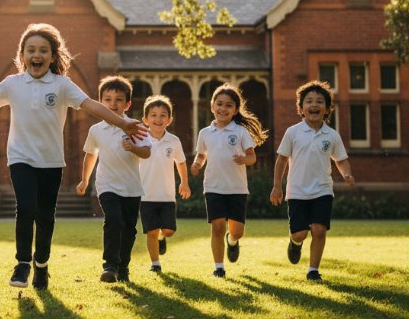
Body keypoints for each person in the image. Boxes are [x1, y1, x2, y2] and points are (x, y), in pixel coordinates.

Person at [0, 23, 147, 289]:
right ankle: (22, 263)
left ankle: (41, 265)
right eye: (31, 50)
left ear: (53, 56)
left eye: (43, 50)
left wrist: (122, 123)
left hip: (52, 161)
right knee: (26, 209)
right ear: (22, 56)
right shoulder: (12, 84)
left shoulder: (62, 85)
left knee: (45, 216)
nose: (37, 55)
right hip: (20, 158)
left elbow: (91, 105)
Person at [270, 80, 355, 281]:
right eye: (309, 101)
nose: (314, 105)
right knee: (300, 233)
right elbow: (281, 159)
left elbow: (341, 160)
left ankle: (313, 270)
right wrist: (276, 186)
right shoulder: (293, 132)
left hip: (322, 190)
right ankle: (295, 243)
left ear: (327, 108)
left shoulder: (332, 136)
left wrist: (346, 174)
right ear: (301, 108)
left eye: (319, 101)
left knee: (319, 230)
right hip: (297, 191)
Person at [76, 76, 153, 283]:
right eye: (108, 99)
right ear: (100, 102)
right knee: (113, 220)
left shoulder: (135, 126)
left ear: (127, 104)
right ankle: (109, 266)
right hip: (106, 184)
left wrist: (133, 148)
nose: (113, 104)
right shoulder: (96, 130)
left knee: (129, 228)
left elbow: (146, 153)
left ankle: (123, 266)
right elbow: (90, 155)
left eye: (119, 100)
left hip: (131, 187)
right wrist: (84, 180)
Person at [192, 83, 267, 278]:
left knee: (237, 231)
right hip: (213, 187)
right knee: (217, 226)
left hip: (237, 188)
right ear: (212, 106)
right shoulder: (205, 133)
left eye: (228, 105)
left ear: (235, 110)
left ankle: (232, 242)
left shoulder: (240, 132)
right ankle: (219, 267)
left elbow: (252, 157)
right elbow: (201, 155)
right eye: (219, 104)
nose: (223, 108)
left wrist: (244, 159)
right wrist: (197, 164)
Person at [136, 95, 191, 273]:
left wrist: (184, 183)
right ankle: (155, 264)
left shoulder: (173, 141)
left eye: (162, 115)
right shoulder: (139, 139)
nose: (158, 119)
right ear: (145, 119)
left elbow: (181, 163)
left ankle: (162, 237)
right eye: (153, 115)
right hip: (145, 195)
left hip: (167, 195)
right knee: (151, 231)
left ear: (169, 120)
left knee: (168, 230)